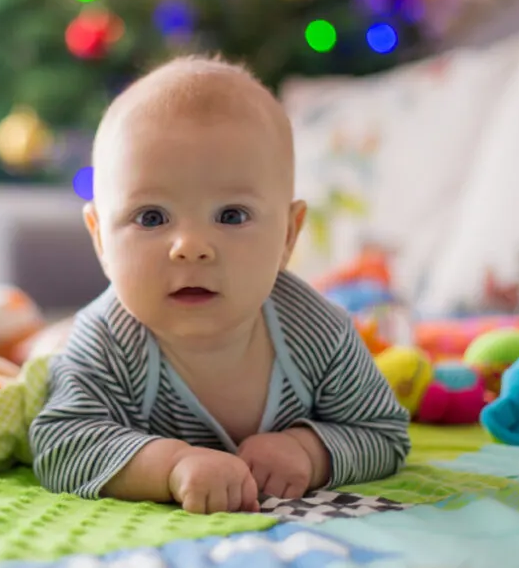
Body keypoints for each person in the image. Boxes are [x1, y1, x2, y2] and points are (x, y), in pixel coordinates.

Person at [28, 55, 411, 514]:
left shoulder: (317, 332)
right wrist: (170, 465)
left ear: (288, 234)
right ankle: (29, 341)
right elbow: (58, 444)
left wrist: (309, 451)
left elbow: (383, 432)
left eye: (231, 215)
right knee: (44, 360)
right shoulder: (108, 339)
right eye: (152, 217)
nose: (191, 247)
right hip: (70, 344)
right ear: (101, 240)